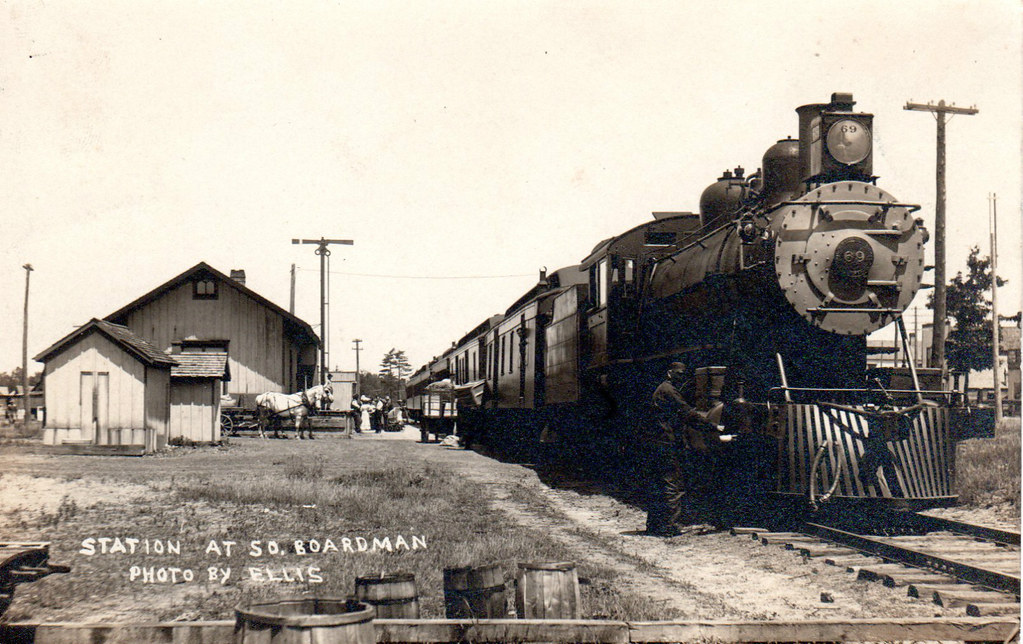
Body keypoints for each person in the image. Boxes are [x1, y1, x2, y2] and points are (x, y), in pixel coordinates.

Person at [646, 362, 718, 536]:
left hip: (660, 441)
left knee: (660, 483)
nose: (681, 377)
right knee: (673, 484)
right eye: (679, 374)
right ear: (670, 373)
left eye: (683, 374)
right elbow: (687, 413)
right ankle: (669, 526)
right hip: (667, 442)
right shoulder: (669, 391)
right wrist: (713, 427)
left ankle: (655, 525)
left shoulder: (663, 389)